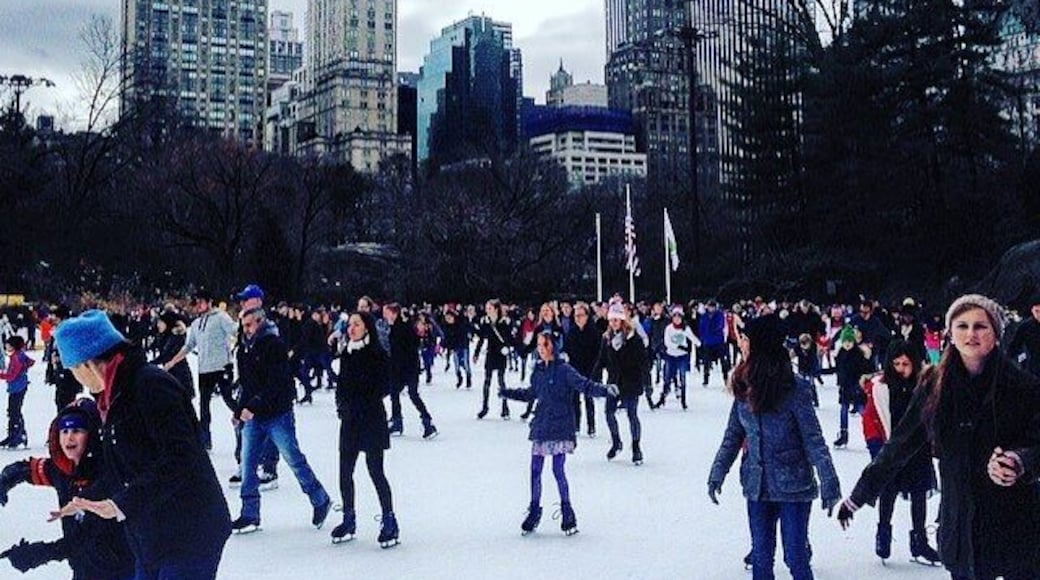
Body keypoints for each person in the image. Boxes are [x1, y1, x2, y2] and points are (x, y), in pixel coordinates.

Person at [837, 294, 1040, 580]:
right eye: (963, 326)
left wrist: (1019, 461)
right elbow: (899, 445)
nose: (971, 334)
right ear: (951, 333)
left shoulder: (1023, 386)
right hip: (962, 526)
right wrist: (860, 495)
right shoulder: (935, 386)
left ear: (996, 333)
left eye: (981, 326)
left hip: (1015, 525)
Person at [51, 310, 231, 579]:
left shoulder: (150, 386)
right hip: (151, 534)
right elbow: (122, 468)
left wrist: (122, 503)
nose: (75, 379)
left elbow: (182, 458)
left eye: (72, 370)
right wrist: (87, 498)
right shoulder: (111, 399)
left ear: (86, 364)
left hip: (189, 532)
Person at [709, 315, 840, 580]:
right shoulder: (743, 386)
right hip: (757, 485)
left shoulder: (795, 389)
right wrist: (717, 472)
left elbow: (814, 440)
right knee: (761, 557)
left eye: (745, 340)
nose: (741, 344)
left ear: (760, 347)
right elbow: (733, 436)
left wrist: (829, 481)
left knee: (795, 556)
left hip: (793, 485)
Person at [500, 332, 619, 536]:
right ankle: (534, 511)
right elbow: (531, 393)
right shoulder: (537, 371)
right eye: (538, 345)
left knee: (557, 470)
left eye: (544, 345)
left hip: (561, 425)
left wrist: (605, 389)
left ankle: (567, 512)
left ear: (552, 347)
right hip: (542, 424)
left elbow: (585, 385)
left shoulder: (565, 370)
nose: (540, 348)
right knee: (535, 470)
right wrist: (508, 392)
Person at [0, 399, 134, 579]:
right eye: (64, 431)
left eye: (77, 430)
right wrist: (6, 479)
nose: (69, 437)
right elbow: (28, 469)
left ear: (92, 434)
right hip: (83, 569)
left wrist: (43, 553)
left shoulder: (107, 472)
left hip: (119, 570)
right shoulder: (62, 470)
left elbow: (87, 537)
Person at [231, 307, 331, 533]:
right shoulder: (244, 348)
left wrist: (252, 406)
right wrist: (239, 411)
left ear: (260, 323)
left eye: (249, 325)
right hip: (254, 415)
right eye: (243, 326)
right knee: (247, 465)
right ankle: (249, 513)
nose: (245, 330)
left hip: (277, 412)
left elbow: (276, 383)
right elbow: (246, 383)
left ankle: (319, 498)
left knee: (293, 458)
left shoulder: (273, 345)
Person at [858, 340, 939, 563]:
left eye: (906, 363)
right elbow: (870, 421)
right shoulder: (880, 388)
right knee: (888, 492)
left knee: (919, 495)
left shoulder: (924, 386)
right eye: (896, 363)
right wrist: (877, 448)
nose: (901, 368)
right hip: (891, 449)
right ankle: (883, 534)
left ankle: (920, 540)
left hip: (918, 450)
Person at [331, 313, 400, 548]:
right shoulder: (346, 354)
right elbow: (341, 386)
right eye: (349, 324)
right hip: (350, 421)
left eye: (356, 324)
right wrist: (341, 406)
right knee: (344, 472)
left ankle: (389, 518)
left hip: (371, 419)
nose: (351, 328)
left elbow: (383, 387)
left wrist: (359, 401)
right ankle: (348, 518)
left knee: (375, 471)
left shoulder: (377, 355)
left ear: (367, 328)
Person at [162, 290, 237, 451]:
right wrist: (173, 361)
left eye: (201, 302)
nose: (199, 306)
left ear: (209, 302)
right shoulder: (196, 324)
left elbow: (234, 330)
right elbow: (189, 346)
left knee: (229, 398)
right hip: (205, 369)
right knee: (204, 406)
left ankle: (246, 421)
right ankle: (205, 439)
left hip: (222, 366)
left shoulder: (221, 317)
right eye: (197, 303)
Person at [599, 302, 648, 465]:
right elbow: (601, 360)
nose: (613, 323)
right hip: (614, 382)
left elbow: (643, 361)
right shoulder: (607, 339)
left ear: (622, 320)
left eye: (616, 319)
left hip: (631, 382)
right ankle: (616, 441)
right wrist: (592, 380)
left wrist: (646, 383)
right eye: (611, 319)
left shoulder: (633, 338)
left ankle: (636, 446)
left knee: (632, 414)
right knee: (609, 412)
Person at [384, 304, 438, 439]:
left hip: (409, 367)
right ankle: (397, 421)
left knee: (412, 394)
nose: (385, 316)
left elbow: (411, 346)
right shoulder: (396, 327)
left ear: (393, 313)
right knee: (394, 393)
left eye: (387, 313)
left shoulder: (403, 327)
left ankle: (427, 421)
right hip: (400, 368)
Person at [563, 302, 602, 438]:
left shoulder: (594, 332)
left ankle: (591, 426)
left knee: (588, 398)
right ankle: (576, 424)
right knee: (574, 398)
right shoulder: (572, 332)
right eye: (576, 316)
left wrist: (595, 370)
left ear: (587, 316)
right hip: (574, 369)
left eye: (580, 315)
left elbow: (598, 353)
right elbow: (567, 349)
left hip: (589, 369)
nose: (577, 318)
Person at [833, 325, 873, 448]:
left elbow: (866, 369)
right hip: (845, 387)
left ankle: (872, 435)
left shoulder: (858, 354)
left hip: (856, 388)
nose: (847, 344)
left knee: (863, 411)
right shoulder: (841, 353)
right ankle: (843, 435)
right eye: (845, 341)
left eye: (850, 341)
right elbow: (839, 369)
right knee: (843, 410)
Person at [473, 299, 513, 420]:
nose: (487, 310)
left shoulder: (504, 322)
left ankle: (505, 408)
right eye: (487, 308)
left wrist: (507, 347)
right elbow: (481, 338)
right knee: (487, 382)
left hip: (501, 354)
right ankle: (485, 407)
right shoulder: (485, 322)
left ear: (496, 309)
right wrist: (476, 353)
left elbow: (509, 338)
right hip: (490, 353)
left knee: (501, 381)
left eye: (489, 308)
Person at [655, 306, 700, 410]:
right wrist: (678, 346)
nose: (677, 319)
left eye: (679, 317)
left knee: (682, 378)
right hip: (670, 356)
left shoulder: (685, 328)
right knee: (667, 378)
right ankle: (662, 399)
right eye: (675, 317)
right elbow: (667, 342)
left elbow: (692, 337)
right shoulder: (669, 328)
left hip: (682, 357)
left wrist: (699, 344)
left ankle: (683, 400)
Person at [0, 336, 34, 450]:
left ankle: (16, 436)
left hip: (17, 387)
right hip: (19, 386)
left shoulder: (16, 358)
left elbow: (12, 375)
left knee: (14, 411)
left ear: (13, 346)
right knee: (14, 411)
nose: (6, 346)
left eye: (8, 344)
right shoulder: (19, 356)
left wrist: (2, 375)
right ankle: (16, 435)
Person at [150, 311, 193, 397]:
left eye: (160, 322)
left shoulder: (175, 336)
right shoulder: (164, 335)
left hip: (179, 376)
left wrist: (150, 364)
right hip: (171, 374)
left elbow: (167, 355)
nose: (158, 325)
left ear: (167, 323)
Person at [1008, 293, 1040, 378]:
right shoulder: (1026, 327)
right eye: (1037, 311)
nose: (1039, 315)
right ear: (1032, 311)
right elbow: (1014, 347)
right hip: (1034, 368)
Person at [699, 300, 730, 387]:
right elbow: (701, 328)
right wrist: (703, 338)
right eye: (710, 306)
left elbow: (720, 326)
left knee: (723, 361)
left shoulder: (719, 315)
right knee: (706, 362)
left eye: (713, 306)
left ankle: (726, 378)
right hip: (707, 342)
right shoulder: (704, 316)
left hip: (718, 341)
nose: (711, 308)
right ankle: (705, 379)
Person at [441, 309, 473, 389]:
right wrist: (443, 346)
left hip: (463, 346)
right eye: (446, 318)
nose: (448, 320)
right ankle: (459, 378)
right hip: (455, 348)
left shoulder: (460, 325)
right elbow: (446, 338)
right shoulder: (446, 327)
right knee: (457, 364)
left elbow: (462, 336)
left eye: (449, 318)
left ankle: (468, 378)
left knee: (466, 363)